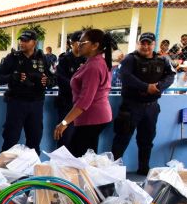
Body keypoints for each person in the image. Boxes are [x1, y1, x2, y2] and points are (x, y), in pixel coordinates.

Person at [111, 32, 175, 175]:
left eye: (149, 43)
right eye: (143, 43)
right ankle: (112, 171)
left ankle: (143, 169)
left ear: (154, 44)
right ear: (138, 44)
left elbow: (171, 76)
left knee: (147, 140)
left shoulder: (162, 59)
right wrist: (146, 87)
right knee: (122, 138)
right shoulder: (130, 59)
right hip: (131, 106)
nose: (145, 46)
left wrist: (158, 87)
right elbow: (125, 76)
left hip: (151, 107)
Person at [53, 29, 115, 158]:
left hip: (93, 117)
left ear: (95, 45)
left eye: (83, 42)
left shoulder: (94, 66)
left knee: (78, 156)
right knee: (87, 156)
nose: (78, 45)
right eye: (78, 42)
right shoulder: (93, 62)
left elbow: (85, 100)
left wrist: (64, 123)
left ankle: (82, 178)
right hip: (92, 117)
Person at [0, 29, 54, 155]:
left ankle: (31, 172)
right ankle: (6, 172)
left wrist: (48, 81)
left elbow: (53, 78)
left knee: (34, 140)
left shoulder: (43, 59)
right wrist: (13, 77)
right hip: (16, 103)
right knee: (11, 139)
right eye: (21, 40)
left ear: (34, 42)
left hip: (36, 104)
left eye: (26, 40)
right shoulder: (12, 58)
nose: (21, 43)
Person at [54, 32, 85, 149]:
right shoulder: (64, 60)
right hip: (67, 104)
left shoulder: (87, 60)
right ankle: (60, 166)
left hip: (82, 106)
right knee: (65, 138)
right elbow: (60, 80)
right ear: (71, 43)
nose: (81, 44)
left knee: (80, 140)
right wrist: (78, 87)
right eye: (79, 41)